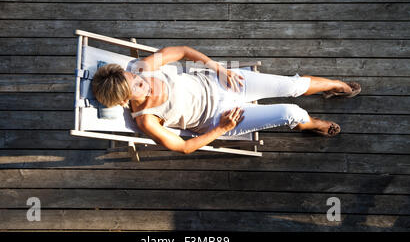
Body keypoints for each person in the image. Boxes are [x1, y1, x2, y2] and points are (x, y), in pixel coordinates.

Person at [92, 46, 361, 154]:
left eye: (133, 76)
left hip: (221, 81)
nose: (143, 80)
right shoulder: (147, 120)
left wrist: (217, 67)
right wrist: (221, 128)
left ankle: (336, 85)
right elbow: (184, 148)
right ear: (124, 101)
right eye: (137, 86)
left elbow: (183, 51)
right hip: (221, 116)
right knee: (291, 111)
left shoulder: (142, 67)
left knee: (292, 85)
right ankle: (309, 124)